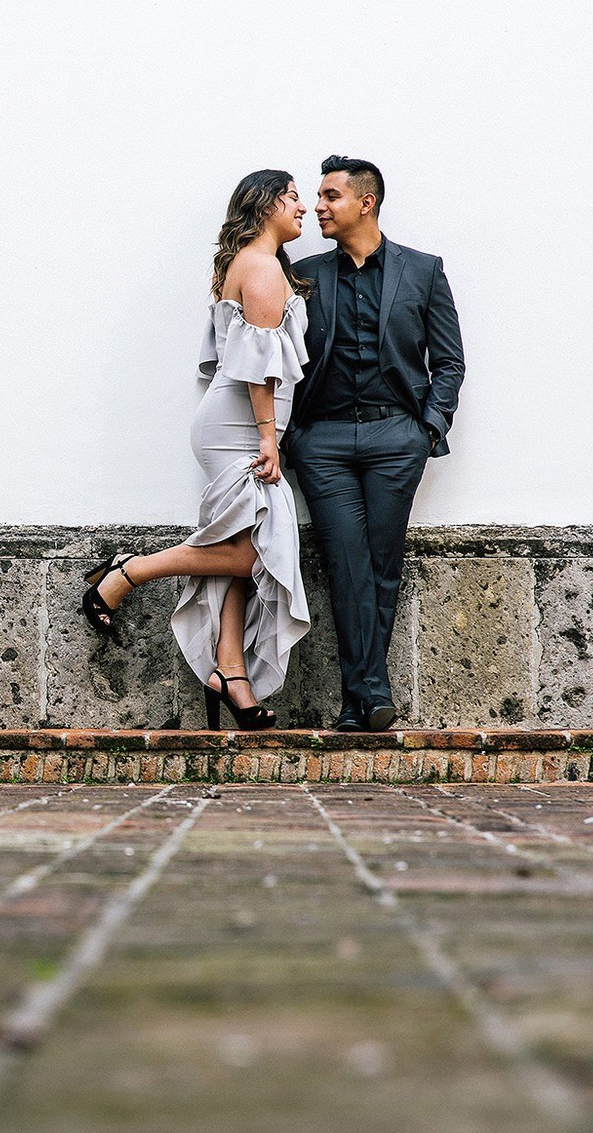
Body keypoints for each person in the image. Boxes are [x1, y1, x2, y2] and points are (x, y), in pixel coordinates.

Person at [79, 171, 312, 729]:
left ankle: (230, 674)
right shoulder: (260, 267)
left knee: (243, 551)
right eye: (294, 197)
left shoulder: (256, 265)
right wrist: (265, 436)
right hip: (240, 428)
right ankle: (127, 571)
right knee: (255, 556)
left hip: (241, 424)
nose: (302, 208)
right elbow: (259, 363)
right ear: (267, 204)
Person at [283, 156, 465, 731]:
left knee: (382, 564)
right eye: (316, 196)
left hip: (396, 435)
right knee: (345, 563)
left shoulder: (423, 270)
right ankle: (371, 692)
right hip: (325, 440)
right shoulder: (306, 274)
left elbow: (450, 361)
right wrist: (293, 436)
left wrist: (428, 427)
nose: (318, 206)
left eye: (330, 196)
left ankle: (358, 701)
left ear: (366, 202)